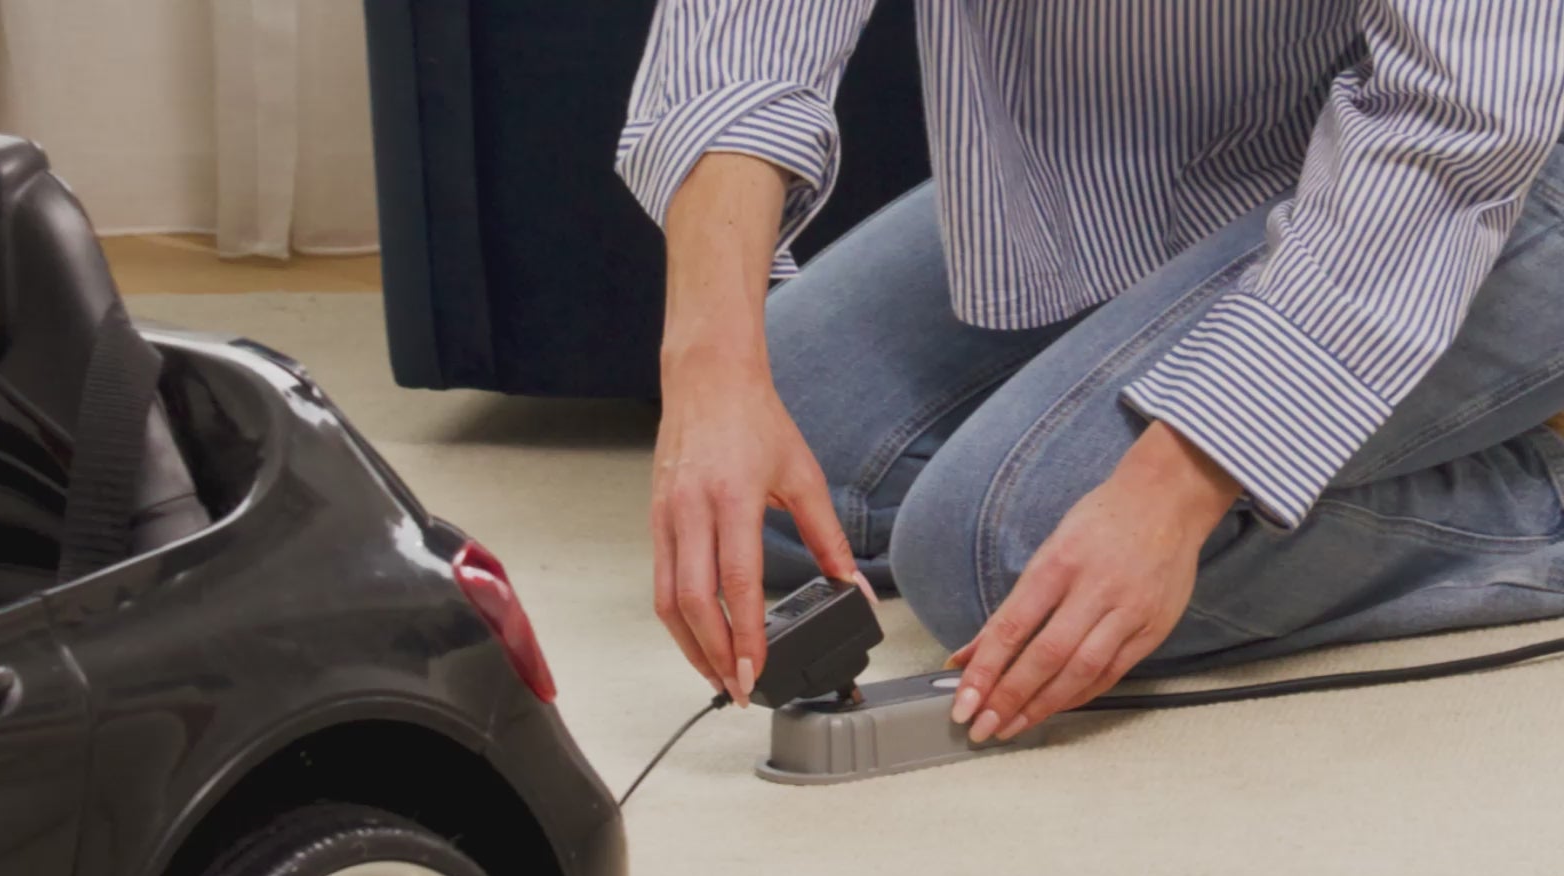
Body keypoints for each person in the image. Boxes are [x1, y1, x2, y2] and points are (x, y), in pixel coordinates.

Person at [617, 2, 1564, 743]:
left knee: (999, 558)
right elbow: (743, 32)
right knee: (786, 461)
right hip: (1200, 147)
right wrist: (712, 371)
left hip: (1486, 149)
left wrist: (1176, 490)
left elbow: (1463, 117)